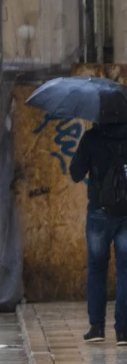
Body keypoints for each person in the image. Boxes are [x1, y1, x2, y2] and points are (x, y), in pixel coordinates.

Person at [71, 121, 127, 344]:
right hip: (126, 213)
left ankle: (97, 327)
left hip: (99, 212)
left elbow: (76, 173)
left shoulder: (92, 137)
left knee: (96, 268)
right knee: (125, 270)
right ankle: (123, 330)